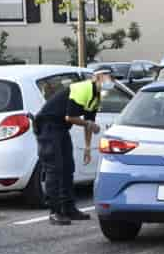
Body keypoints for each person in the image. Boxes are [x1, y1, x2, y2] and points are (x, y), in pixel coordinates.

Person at [33, 69, 111, 225]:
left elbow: (89, 122)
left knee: (68, 167)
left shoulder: (96, 97)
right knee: (55, 169)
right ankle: (55, 212)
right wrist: (88, 123)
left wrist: (88, 148)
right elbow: (71, 117)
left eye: (111, 77)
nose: (110, 80)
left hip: (61, 128)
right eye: (107, 77)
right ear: (97, 78)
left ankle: (69, 208)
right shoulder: (83, 89)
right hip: (48, 126)